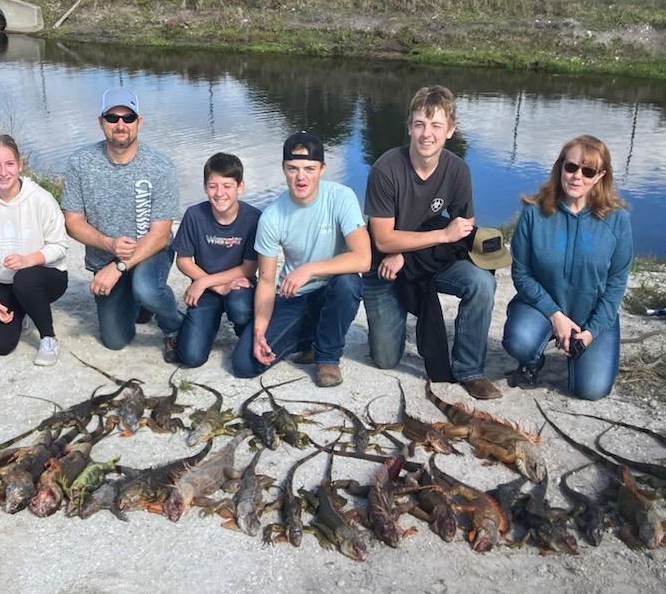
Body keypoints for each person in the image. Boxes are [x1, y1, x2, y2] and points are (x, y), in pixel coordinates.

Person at [362, 85, 501, 401]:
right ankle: (397, 314)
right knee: (385, 359)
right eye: (420, 124)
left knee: (481, 283)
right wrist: (440, 235)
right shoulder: (386, 169)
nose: (427, 134)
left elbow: (462, 234)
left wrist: (408, 255)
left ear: (450, 131)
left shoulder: (458, 170)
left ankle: (469, 370)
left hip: (418, 260)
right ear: (409, 126)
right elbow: (383, 239)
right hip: (383, 267)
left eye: (436, 125)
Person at [233, 131, 370, 387]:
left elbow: (363, 258)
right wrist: (259, 334)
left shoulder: (342, 197)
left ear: (322, 169)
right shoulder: (272, 216)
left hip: (331, 291)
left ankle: (327, 358)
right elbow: (265, 281)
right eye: (293, 168)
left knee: (349, 282)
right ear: (283, 169)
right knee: (244, 364)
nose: (301, 177)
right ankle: (310, 337)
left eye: (309, 168)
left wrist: (310, 269)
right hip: (294, 297)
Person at [503, 134, 633, 400]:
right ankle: (532, 359)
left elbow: (616, 283)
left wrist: (591, 331)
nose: (577, 177)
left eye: (588, 171)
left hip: (593, 314)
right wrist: (555, 315)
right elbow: (521, 273)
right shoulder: (533, 213)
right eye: (571, 167)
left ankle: (581, 354)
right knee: (519, 341)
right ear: (560, 167)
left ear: (600, 176)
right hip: (541, 306)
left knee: (591, 390)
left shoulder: (618, 220)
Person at [61, 87, 183, 361]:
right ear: (101, 121)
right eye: (112, 117)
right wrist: (109, 244)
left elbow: (161, 234)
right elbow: (72, 222)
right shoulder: (80, 163)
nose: (120, 125)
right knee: (115, 340)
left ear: (139, 122)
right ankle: (139, 301)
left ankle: (174, 325)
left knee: (148, 287)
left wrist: (119, 266)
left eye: (128, 118)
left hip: (150, 251)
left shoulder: (161, 167)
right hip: (104, 257)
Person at [0, 134, 68, 366]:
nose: (3, 172)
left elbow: (60, 246)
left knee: (25, 279)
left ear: (20, 165)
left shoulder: (41, 199)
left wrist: (28, 259)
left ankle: (49, 338)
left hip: (46, 276)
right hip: (4, 283)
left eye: (10, 164)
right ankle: (24, 308)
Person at [173, 152, 260, 368]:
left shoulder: (254, 218)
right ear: (205, 187)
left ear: (240, 187)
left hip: (240, 284)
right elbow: (183, 260)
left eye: (227, 186)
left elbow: (250, 267)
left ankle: (246, 332)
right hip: (208, 289)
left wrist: (203, 282)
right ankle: (195, 326)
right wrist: (214, 285)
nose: (219, 193)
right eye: (213, 186)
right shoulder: (194, 215)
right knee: (191, 357)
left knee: (240, 308)